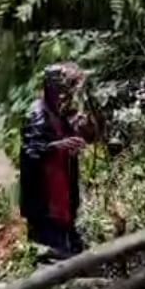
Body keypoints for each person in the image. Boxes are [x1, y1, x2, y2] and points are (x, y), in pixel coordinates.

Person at [20, 63, 92, 260]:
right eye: (61, 90)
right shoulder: (37, 113)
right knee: (48, 257)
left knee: (72, 255)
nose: (64, 96)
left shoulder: (60, 115)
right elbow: (30, 152)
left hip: (63, 200)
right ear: (50, 89)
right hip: (45, 203)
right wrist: (56, 146)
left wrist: (73, 143)